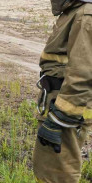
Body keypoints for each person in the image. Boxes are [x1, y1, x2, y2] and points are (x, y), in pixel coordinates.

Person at [33, 0, 92, 182]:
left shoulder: (85, 15)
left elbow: (83, 74)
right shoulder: (73, 11)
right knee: (47, 169)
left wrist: (60, 119)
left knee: (58, 175)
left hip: (65, 113)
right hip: (56, 104)